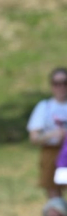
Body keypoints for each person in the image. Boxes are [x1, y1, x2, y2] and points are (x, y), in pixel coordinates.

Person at [27, 67, 67, 198]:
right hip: (51, 153)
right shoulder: (44, 107)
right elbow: (34, 138)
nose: (61, 87)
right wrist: (53, 135)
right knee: (54, 194)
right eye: (56, 83)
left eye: (64, 83)